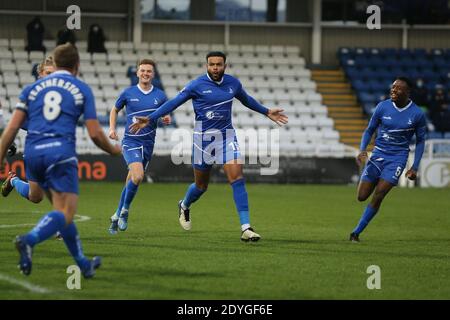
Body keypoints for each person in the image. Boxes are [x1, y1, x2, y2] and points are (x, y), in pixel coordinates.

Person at [129, 51, 288, 241]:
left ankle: (246, 227)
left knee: (237, 177)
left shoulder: (233, 84)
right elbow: (173, 103)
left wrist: (266, 111)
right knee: (201, 185)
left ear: (224, 66)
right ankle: (185, 205)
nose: (215, 68)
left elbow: (246, 100)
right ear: (207, 66)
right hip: (203, 142)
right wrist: (151, 118)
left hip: (227, 137)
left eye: (218, 64)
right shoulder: (196, 85)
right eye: (211, 64)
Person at [0, 43, 121, 277]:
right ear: (77, 66)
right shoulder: (81, 88)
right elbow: (95, 133)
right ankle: (29, 240)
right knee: (66, 213)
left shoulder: (31, 90)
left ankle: (83, 264)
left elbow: (11, 128)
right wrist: (114, 150)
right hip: (60, 155)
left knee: (58, 210)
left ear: (54, 63)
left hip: (33, 155)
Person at [350, 77, 427, 242]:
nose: (393, 90)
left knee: (379, 195)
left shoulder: (417, 114)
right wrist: (362, 149)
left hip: (397, 159)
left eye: (398, 88)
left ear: (407, 92)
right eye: (393, 87)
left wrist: (414, 167)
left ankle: (355, 233)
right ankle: (357, 230)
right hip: (377, 155)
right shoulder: (382, 107)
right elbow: (369, 130)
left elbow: (420, 141)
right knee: (362, 196)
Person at [108, 59, 171, 234]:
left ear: (153, 74)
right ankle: (125, 211)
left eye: (149, 71)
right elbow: (114, 110)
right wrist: (112, 129)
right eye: (142, 70)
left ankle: (116, 215)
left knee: (131, 180)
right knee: (137, 176)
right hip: (131, 142)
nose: (145, 73)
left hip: (148, 144)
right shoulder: (128, 93)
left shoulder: (160, 95)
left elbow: (165, 116)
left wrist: (166, 119)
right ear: (137, 73)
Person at [2, 55, 56, 204]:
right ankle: (13, 181)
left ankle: (62, 222)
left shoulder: (63, 93)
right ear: (41, 74)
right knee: (36, 196)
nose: (52, 77)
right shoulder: (31, 94)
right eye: (48, 73)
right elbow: (18, 121)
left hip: (57, 148)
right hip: (35, 150)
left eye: (55, 73)